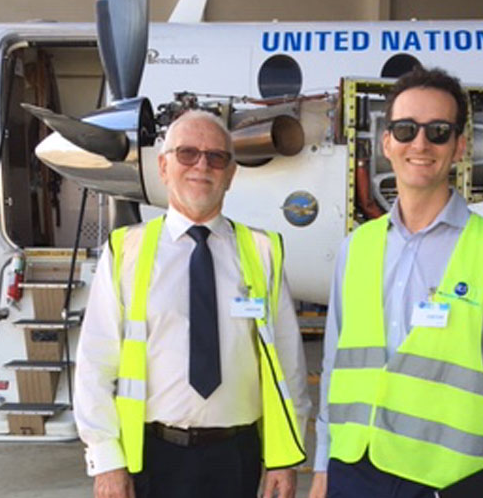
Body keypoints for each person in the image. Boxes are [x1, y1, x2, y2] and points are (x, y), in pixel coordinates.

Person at [309, 67, 483, 498]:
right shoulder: (356, 248)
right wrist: (324, 464)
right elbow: (335, 368)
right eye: (405, 129)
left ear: (459, 146)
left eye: (438, 131)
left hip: (448, 480)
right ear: (386, 142)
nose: (419, 143)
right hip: (354, 472)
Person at [74, 110, 311, 498]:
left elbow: (288, 364)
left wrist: (285, 457)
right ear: (164, 166)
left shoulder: (262, 251)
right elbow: (95, 365)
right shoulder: (125, 252)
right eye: (187, 153)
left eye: (217, 157)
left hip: (238, 456)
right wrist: (107, 461)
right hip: (152, 458)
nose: (202, 165)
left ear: (231, 174)